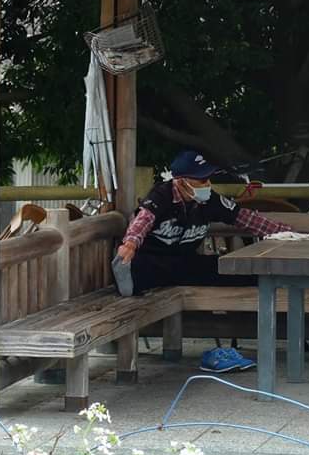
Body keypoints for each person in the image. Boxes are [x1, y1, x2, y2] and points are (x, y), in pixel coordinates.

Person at [112, 150, 293, 372]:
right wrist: (130, 244)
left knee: (225, 268)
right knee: (147, 269)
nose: (206, 184)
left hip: (184, 263)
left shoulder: (210, 200)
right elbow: (143, 220)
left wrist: (287, 233)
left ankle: (267, 279)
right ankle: (128, 278)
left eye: (208, 179)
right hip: (151, 260)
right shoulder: (161, 196)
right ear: (180, 182)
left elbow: (245, 218)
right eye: (200, 180)